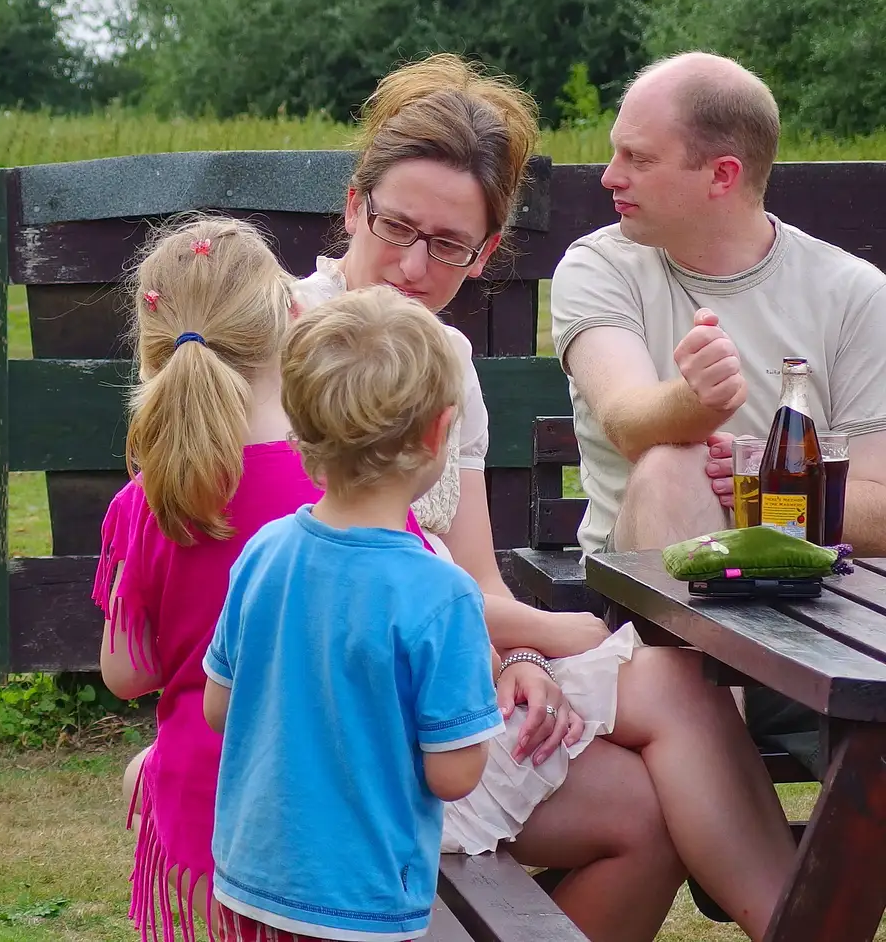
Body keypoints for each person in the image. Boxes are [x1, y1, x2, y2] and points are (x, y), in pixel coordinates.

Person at [294, 54, 797, 942]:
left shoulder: (449, 367)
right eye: (396, 226)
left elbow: (480, 586)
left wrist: (520, 660)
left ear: (485, 253)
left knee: (648, 804)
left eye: (448, 244)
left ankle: (801, 923)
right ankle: (807, 924)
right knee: (666, 685)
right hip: (347, 733)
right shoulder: (284, 342)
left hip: (454, 686)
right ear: (351, 207)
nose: (413, 266)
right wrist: (551, 641)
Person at [92, 215, 433, 941]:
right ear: (291, 321)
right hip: (338, 811)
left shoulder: (145, 499)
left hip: (207, 805)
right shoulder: (344, 489)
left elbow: (127, 675)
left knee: (153, 768)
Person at [204, 285, 502, 941]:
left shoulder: (264, 551)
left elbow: (219, 709)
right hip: (359, 898)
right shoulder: (440, 595)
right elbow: (453, 775)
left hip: (251, 876)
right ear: (437, 431)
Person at [550, 50, 886, 560]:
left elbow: (880, 509)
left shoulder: (855, 293)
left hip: (813, 599)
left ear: (722, 175)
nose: (610, 177)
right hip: (644, 584)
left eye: (638, 158)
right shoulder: (600, 267)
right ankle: (690, 645)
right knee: (671, 467)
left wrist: (774, 487)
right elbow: (625, 422)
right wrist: (697, 401)